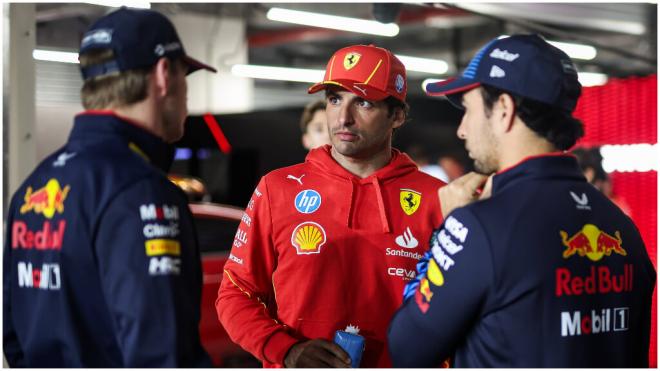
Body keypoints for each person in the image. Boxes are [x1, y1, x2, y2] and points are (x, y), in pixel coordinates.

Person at [388, 34, 655, 367]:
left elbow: (407, 347)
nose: (461, 130)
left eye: (468, 110)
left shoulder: (477, 226)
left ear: (503, 109)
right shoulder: (621, 226)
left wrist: (446, 236)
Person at [3, 7, 216, 367]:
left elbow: (15, 340)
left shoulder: (32, 188)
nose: (186, 97)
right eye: (185, 76)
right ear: (164, 75)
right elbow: (161, 356)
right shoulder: (142, 191)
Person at [216, 44, 445, 367]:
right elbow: (235, 294)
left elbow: (459, 309)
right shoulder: (277, 188)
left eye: (363, 102)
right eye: (335, 99)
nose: (343, 117)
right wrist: (287, 351)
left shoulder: (438, 199)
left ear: (397, 116)